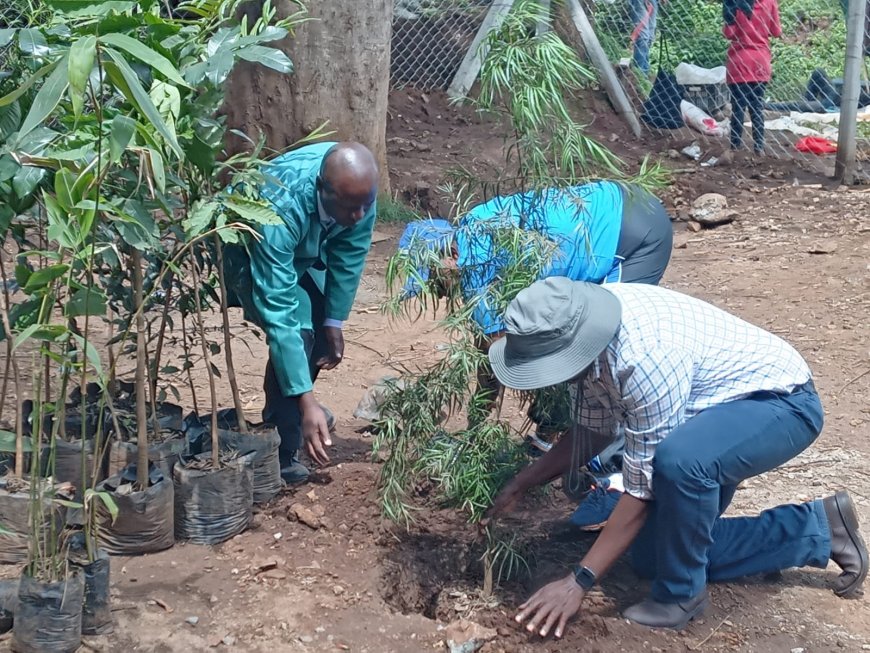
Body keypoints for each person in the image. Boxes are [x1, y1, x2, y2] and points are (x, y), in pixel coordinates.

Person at [484, 277, 867, 637]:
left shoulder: (642, 356)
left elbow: (643, 483)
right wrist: (523, 482)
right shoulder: (583, 334)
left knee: (680, 463)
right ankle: (817, 529)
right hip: (710, 417)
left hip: (778, 404)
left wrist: (578, 580)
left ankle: (682, 595)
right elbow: (594, 431)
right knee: (653, 557)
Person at [398, 181, 674, 529]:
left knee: (599, 348)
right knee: (563, 344)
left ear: (449, 256)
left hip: (631, 238)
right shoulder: (474, 223)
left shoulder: (478, 270)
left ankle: (612, 475)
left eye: (433, 281)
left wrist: (475, 428)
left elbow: (496, 357)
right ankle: (556, 433)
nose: (437, 292)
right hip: (621, 200)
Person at [224, 141, 378, 484]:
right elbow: (281, 315)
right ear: (323, 192)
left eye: (365, 206)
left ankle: (293, 409)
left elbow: (350, 254)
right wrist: (307, 400)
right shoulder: (278, 208)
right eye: (351, 207)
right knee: (300, 331)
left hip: (306, 247)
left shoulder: (359, 192)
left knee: (320, 333)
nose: (359, 216)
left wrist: (334, 321)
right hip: (252, 252)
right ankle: (282, 449)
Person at [723, 0, 781, 153]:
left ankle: (735, 146)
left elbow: (729, 34)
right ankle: (759, 146)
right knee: (757, 107)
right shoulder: (770, 2)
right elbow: (776, 31)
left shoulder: (735, 2)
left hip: (739, 62)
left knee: (738, 108)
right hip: (760, 62)